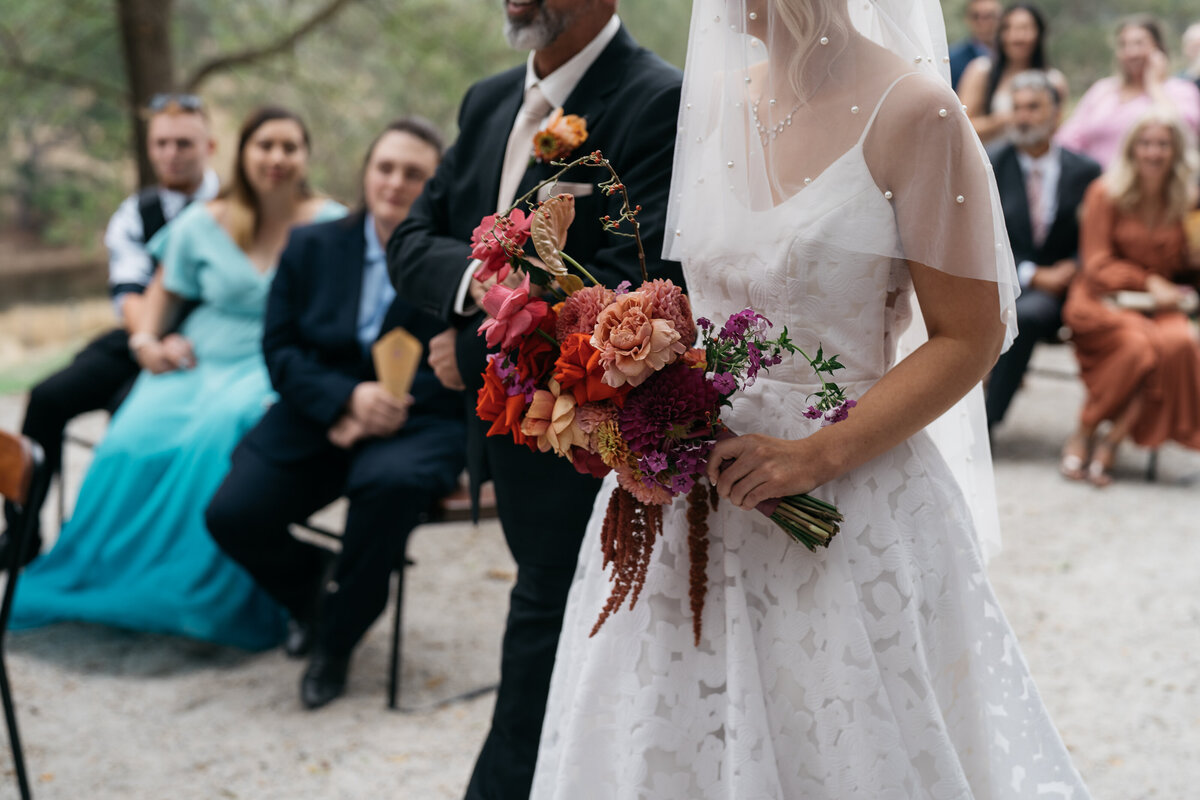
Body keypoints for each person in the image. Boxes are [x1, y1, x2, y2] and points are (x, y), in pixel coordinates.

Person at [531, 0, 1093, 797]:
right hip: (691, 486)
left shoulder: (917, 111)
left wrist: (815, 454)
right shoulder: (718, 98)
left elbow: (972, 334)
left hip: (844, 491)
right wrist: (634, 383)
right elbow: (704, 301)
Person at [387, 0, 683, 795]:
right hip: (505, 432)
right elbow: (410, 243)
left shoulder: (658, 100)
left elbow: (637, 282)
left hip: (583, 444)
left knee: (543, 639)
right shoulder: (487, 100)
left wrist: (485, 333)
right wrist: (491, 307)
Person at [9, 107, 346, 649]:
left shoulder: (332, 221)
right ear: (243, 153)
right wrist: (147, 344)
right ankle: (112, 571)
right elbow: (159, 300)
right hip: (203, 353)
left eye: (289, 146)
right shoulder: (206, 220)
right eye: (265, 146)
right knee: (130, 438)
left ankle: (210, 588)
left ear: (306, 156)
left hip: (279, 358)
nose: (277, 158)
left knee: (221, 434)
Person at [205, 118, 466, 709]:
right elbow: (279, 349)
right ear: (366, 172)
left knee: (388, 486)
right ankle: (315, 592)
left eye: (414, 173)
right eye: (385, 167)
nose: (396, 182)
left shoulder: (463, 263)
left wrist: (388, 406)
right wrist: (345, 402)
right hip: (318, 410)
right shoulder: (312, 245)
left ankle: (335, 643)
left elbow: (471, 362)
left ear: (434, 186)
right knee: (232, 514)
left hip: (419, 421)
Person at [0, 94, 218, 565]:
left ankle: (128, 548)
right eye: (161, 143)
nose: (172, 153)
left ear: (211, 147)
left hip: (209, 349)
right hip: (139, 337)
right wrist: (147, 343)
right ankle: (20, 538)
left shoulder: (233, 209)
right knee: (47, 397)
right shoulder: (134, 213)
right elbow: (129, 291)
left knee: (131, 419)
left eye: (184, 142)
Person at [1059, 109, 1200, 486]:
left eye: (1163, 145)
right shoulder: (1105, 192)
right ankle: (1087, 431)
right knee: (1140, 347)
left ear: (1176, 151)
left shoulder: (1186, 200)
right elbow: (1097, 265)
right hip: (1101, 298)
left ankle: (1111, 441)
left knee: (1179, 343)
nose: (1154, 153)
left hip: (1160, 305)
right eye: (1146, 143)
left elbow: (1186, 269)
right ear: (1132, 148)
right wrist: (1148, 280)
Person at [985, 70, 1102, 428]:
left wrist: (1075, 267)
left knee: (1027, 315)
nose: (1023, 116)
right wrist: (1033, 274)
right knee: (1013, 314)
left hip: (1072, 287)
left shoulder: (1085, 170)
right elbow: (981, 237)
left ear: (1056, 113)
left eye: (1033, 107)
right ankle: (978, 424)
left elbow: (1100, 233)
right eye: (1017, 108)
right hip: (1003, 283)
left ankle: (986, 425)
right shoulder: (989, 163)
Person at [1057, 14, 1200, 169]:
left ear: (1157, 48)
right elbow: (1067, 140)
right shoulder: (1102, 90)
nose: (1131, 52)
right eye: (1124, 45)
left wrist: (1154, 86)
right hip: (1099, 186)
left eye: (1139, 43)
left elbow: (1186, 134)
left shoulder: (1180, 90)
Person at [958, 3, 1069, 147]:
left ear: (1039, 33)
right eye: (1008, 28)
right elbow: (962, 125)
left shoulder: (1054, 80)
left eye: (1024, 29)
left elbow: (1056, 132)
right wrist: (1003, 120)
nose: (1016, 37)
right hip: (989, 161)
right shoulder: (982, 71)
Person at [949, 0, 1000, 90]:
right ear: (967, 19)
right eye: (976, 16)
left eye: (988, 16)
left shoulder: (1013, 54)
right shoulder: (952, 59)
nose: (982, 22)